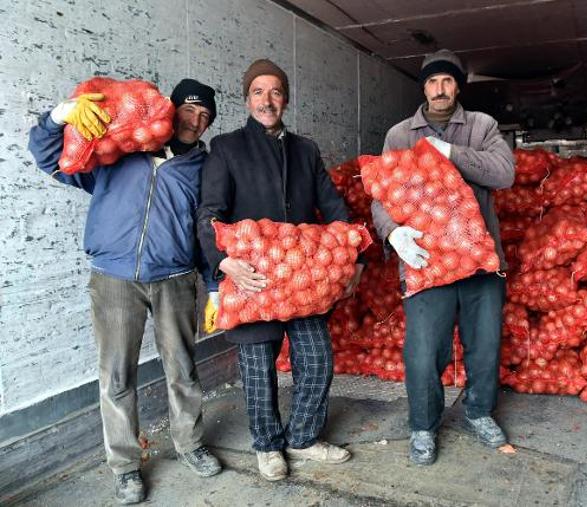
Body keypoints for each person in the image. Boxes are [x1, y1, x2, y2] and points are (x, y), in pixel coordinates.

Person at [28, 78, 222, 504]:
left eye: (205, 116)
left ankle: (191, 444)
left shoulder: (203, 169)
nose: (196, 121)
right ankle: (126, 467)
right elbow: (49, 157)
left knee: (184, 370)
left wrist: (214, 287)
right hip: (114, 277)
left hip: (175, 278)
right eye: (190, 110)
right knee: (116, 375)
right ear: (171, 110)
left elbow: (206, 230)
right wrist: (59, 115)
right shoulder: (117, 151)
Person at [197, 59, 362, 482]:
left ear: (285, 98)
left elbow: (333, 206)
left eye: (275, 92)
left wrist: (352, 255)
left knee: (318, 359)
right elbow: (209, 214)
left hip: (302, 278)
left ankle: (303, 438)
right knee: (257, 368)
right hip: (253, 278)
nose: (266, 101)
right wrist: (224, 263)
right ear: (247, 98)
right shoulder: (227, 148)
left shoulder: (305, 149)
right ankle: (268, 446)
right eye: (258, 92)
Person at [371, 49, 515, 465]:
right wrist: (392, 232)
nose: (440, 89)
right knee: (423, 349)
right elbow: (382, 195)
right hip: (424, 262)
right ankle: (423, 425)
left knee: (484, 344)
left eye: (447, 81)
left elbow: (504, 174)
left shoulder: (482, 126)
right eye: (433, 81)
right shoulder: (400, 135)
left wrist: (450, 153)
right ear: (424, 87)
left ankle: (479, 412)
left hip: (478, 260)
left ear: (457, 86)